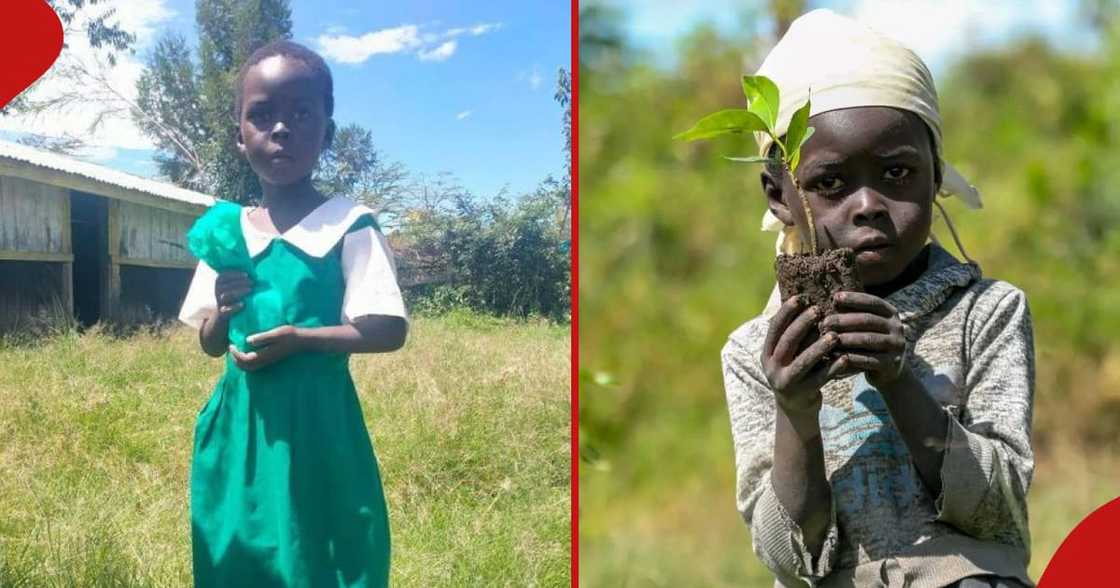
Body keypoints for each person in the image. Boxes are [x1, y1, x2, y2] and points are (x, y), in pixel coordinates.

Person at [721, 10, 1035, 588]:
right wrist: (794, 409)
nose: (868, 205)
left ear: (935, 174)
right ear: (780, 195)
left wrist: (899, 379)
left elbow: (999, 508)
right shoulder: (756, 352)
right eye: (830, 183)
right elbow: (787, 559)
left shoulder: (988, 311)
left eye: (896, 173)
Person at [178, 39, 408, 587]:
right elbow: (209, 343)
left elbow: (387, 329)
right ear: (240, 136)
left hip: (318, 427)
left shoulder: (349, 225)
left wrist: (302, 340)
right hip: (241, 428)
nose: (281, 129)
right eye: (262, 115)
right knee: (238, 556)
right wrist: (223, 312)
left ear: (327, 133)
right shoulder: (226, 232)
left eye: (302, 114)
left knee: (322, 554)